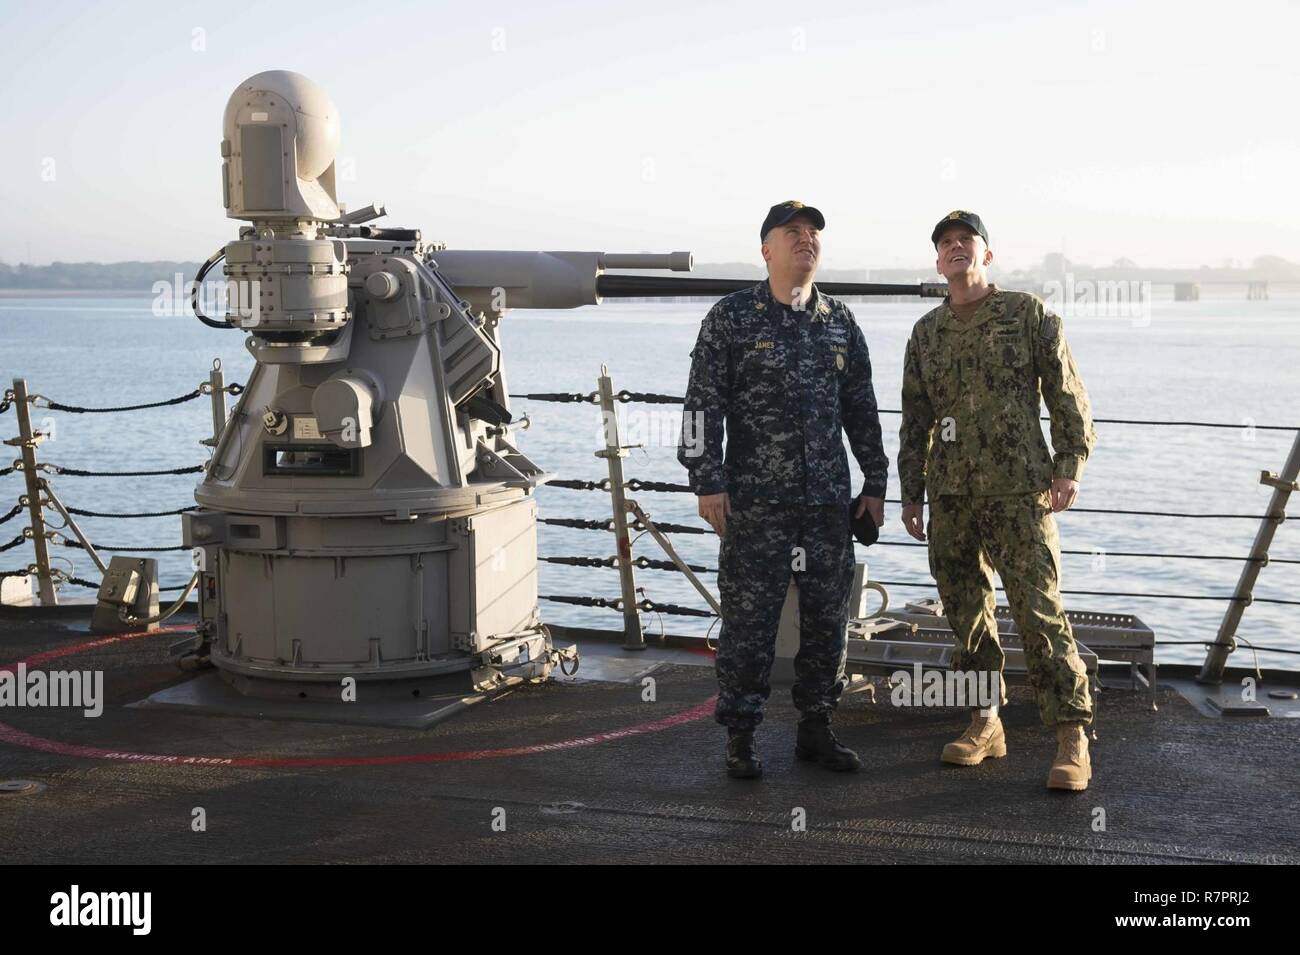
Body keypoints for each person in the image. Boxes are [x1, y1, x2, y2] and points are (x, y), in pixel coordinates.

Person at [677, 200, 888, 779]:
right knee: (749, 624)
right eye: (792, 232)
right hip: (754, 504)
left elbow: (861, 409)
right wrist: (707, 481)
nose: (806, 239)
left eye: (814, 232)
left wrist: (875, 481)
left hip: (826, 505)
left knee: (827, 622)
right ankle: (741, 736)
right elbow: (702, 405)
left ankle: (816, 728)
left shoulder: (840, 322)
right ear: (766, 248)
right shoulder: (732, 318)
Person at [898, 210, 1098, 790]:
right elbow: (916, 420)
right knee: (967, 617)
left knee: (1039, 613)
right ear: (938, 262)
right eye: (946, 244)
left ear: (988, 254)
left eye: (967, 241)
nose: (956, 249)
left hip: (1019, 492)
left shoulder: (1027, 314)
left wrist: (1069, 465)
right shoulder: (926, 333)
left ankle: (1071, 736)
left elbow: (1067, 395)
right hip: (952, 496)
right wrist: (912, 492)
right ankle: (985, 721)